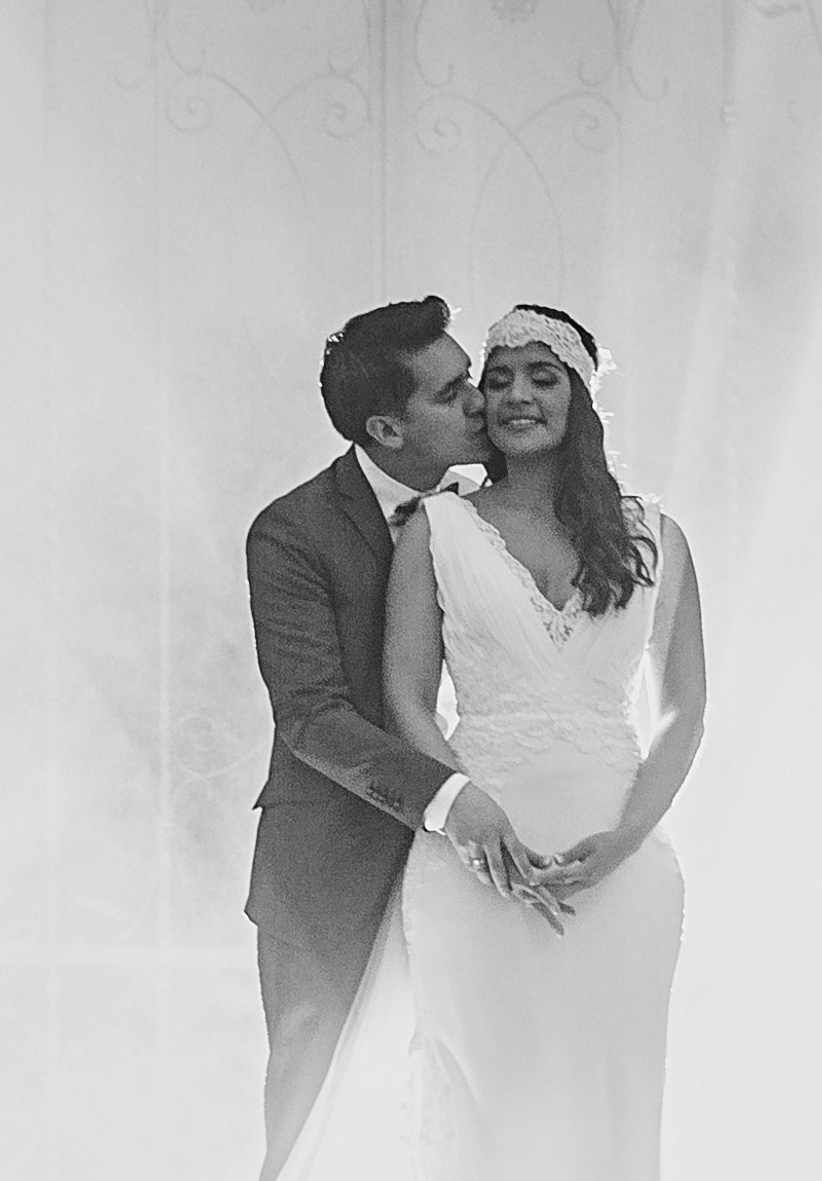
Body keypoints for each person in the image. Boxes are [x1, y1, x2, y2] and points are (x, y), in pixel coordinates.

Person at [276, 302, 708, 1181]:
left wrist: (624, 842)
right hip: (476, 859)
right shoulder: (438, 529)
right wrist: (461, 811)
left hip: (619, 875)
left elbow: (684, 711)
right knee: (476, 1111)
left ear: (581, 395)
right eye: (494, 377)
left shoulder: (656, 536)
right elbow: (404, 694)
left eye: (538, 376)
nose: (507, 396)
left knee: (606, 1115)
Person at [243, 297, 553, 1181]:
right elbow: (311, 716)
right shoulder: (293, 533)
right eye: (454, 392)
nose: (482, 404)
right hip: (332, 873)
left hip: (489, 867)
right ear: (385, 426)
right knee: (316, 1132)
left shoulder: (503, 510)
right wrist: (452, 802)